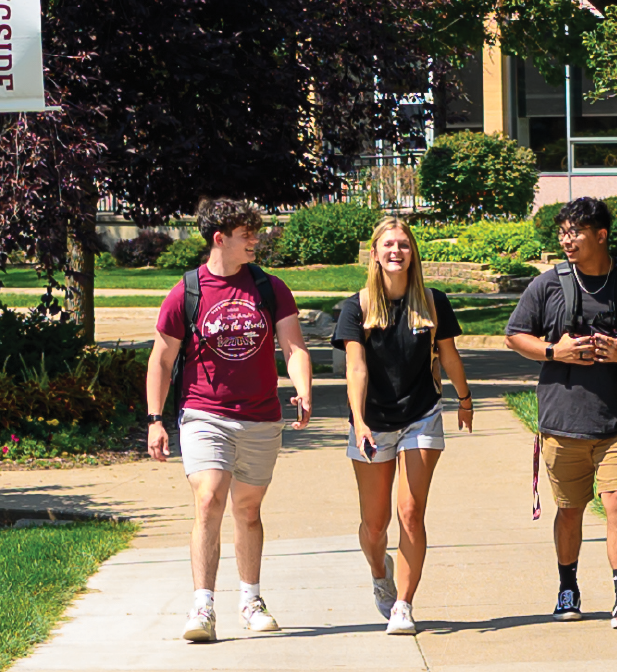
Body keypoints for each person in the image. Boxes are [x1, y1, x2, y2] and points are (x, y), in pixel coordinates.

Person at [145, 199, 314, 643]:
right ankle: (202, 606)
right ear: (219, 238)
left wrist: (303, 387)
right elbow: (162, 360)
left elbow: (293, 347)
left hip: (261, 416)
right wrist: (155, 419)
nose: (256, 239)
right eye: (247, 234)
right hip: (204, 412)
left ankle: (251, 599)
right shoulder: (187, 292)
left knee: (247, 510)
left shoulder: (270, 288)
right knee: (209, 499)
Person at [502, 197, 617, 630]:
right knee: (571, 509)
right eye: (562, 232)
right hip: (563, 421)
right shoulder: (549, 285)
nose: (566, 239)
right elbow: (514, 335)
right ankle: (567, 587)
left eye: (575, 232)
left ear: (601, 235)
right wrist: (551, 350)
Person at [332, 217, 474, 636]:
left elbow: (448, 357)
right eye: (388, 245)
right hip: (372, 422)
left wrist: (464, 400)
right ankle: (380, 573)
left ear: (413, 253)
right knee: (375, 525)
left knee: (410, 513)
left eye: (404, 245)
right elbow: (355, 367)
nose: (397, 251)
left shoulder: (431, 302)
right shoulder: (356, 307)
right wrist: (358, 421)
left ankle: (404, 606)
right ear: (374, 254)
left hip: (421, 414)